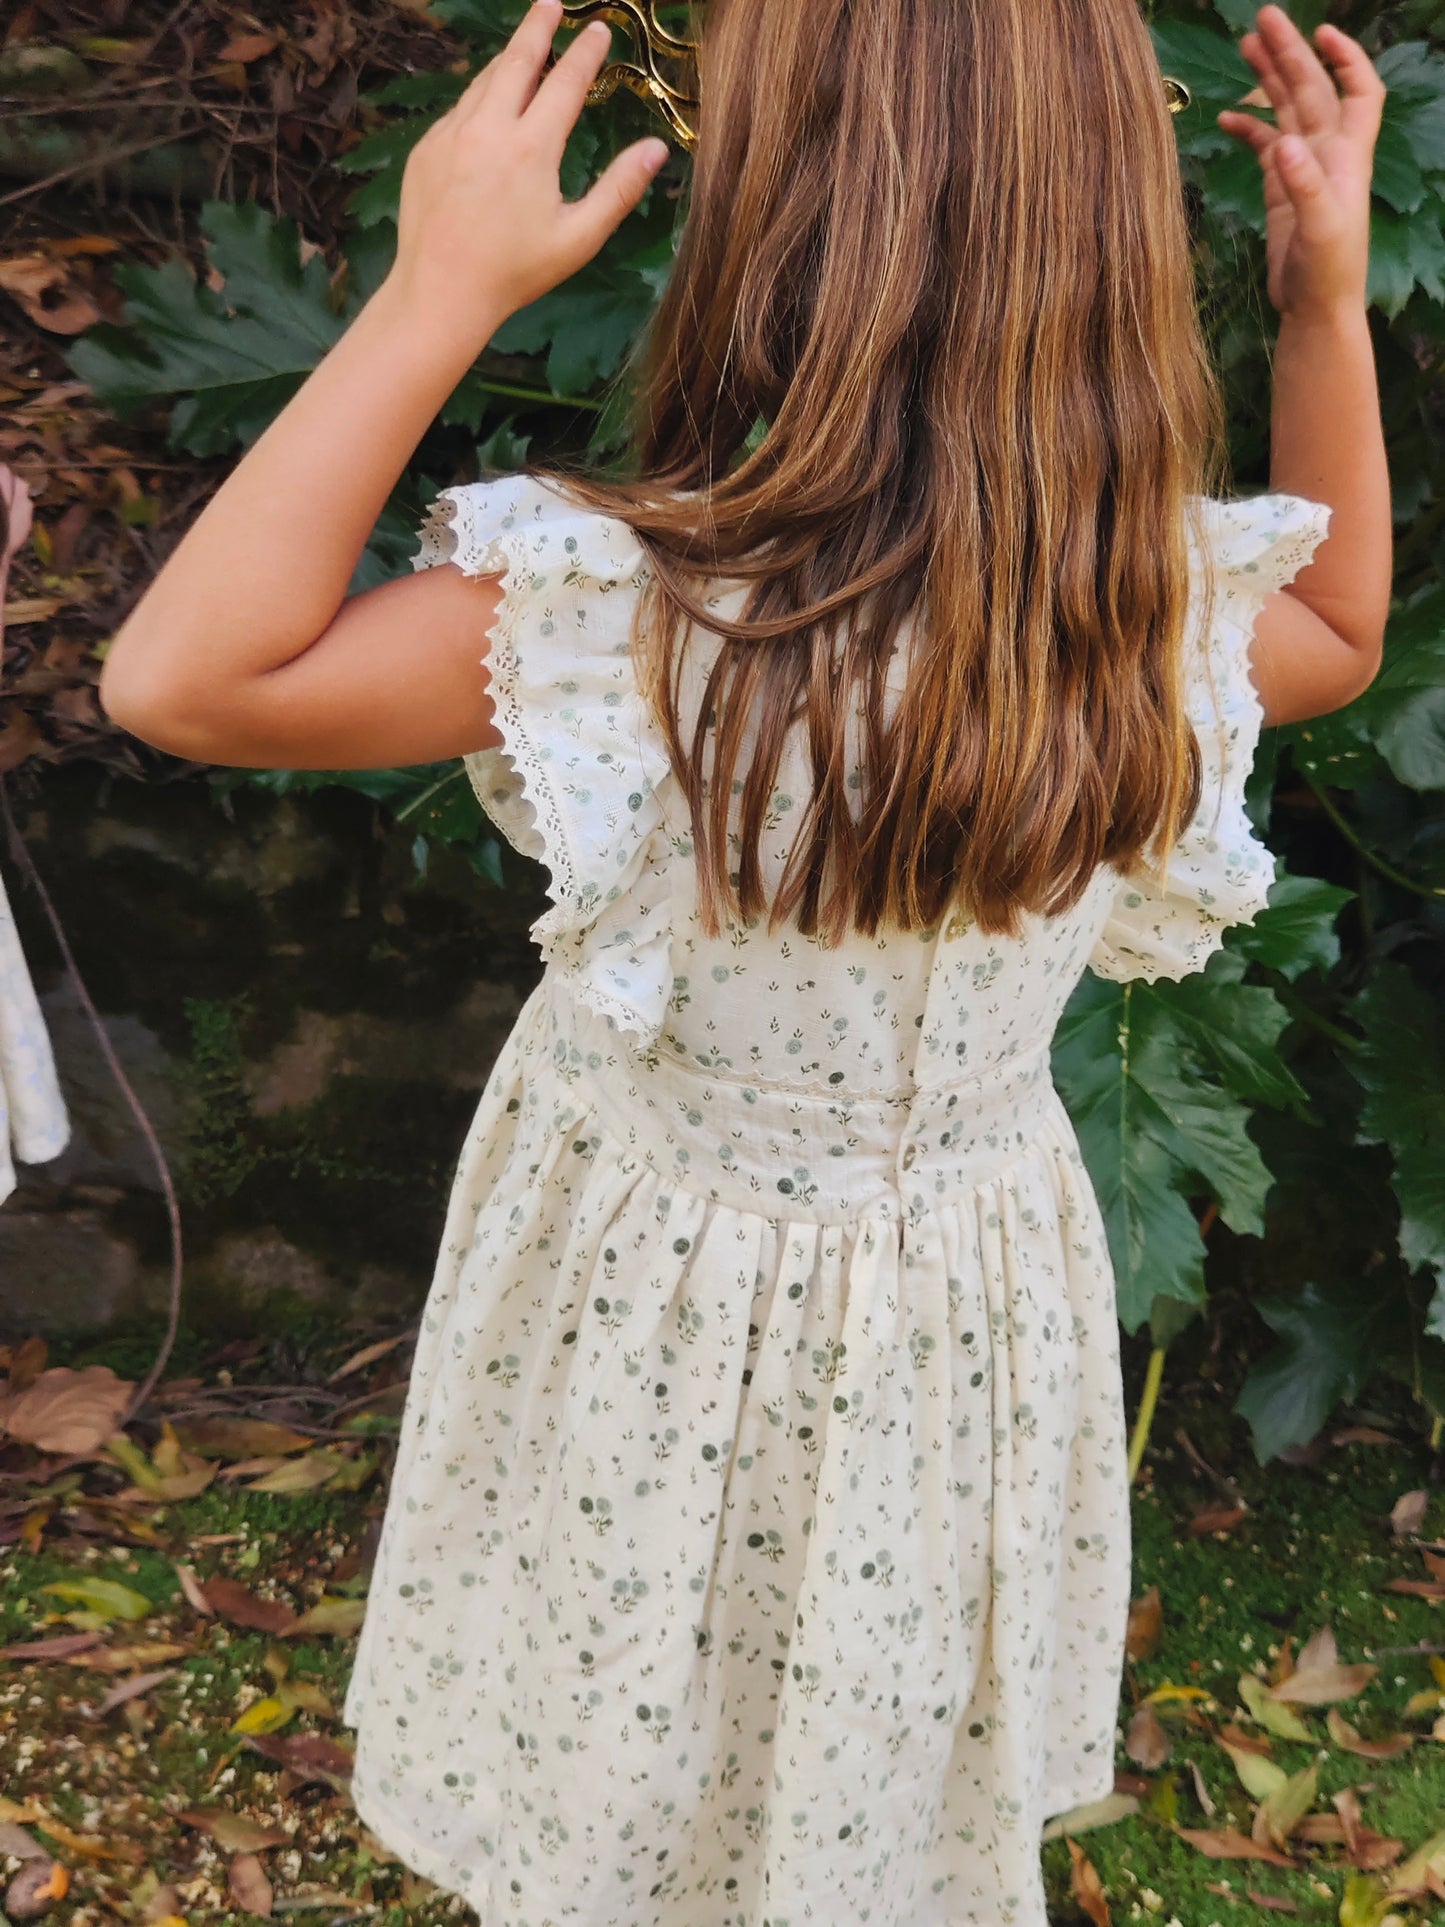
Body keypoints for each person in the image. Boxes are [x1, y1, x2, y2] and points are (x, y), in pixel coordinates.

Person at [97, 0, 1392, 1919]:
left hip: (655, 1296)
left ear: (773, 226)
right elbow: (1344, 628)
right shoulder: (1141, 618)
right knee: (861, 1764)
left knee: (623, 1744)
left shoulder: (635, 618)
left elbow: (183, 681)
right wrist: (1316, 309)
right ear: (1114, 225)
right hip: (962, 1290)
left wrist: (436, 291)